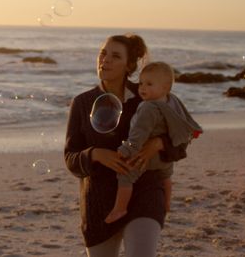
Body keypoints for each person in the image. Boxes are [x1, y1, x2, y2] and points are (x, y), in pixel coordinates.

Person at [64, 34, 188, 257]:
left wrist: (157, 144)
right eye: (103, 53)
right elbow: (71, 159)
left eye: (115, 56)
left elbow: (182, 140)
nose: (106, 60)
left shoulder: (148, 98)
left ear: (129, 65)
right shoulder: (82, 103)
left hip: (146, 191)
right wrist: (96, 154)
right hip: (99, 202)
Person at [104, 62, 202, 224]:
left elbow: (138, 134)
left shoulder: (148, 108)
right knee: (166, 176)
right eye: (141, 83)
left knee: (126, 175)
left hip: (147, 156)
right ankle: (167, 203)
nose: (142, 88)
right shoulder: (172, 101)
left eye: (149, 84)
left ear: (165, 88)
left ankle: (120, 208)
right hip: (165, 158)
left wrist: (126, 150)